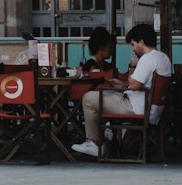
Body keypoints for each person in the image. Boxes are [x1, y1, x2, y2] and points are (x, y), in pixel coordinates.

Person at [71, 23, 172, 159]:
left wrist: (132, 67)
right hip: (152, 108)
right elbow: (143, 84)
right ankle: (107, 132)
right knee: (106, 94)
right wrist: (124, 84)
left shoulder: (147, 59)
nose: (133, 49)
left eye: (133, 44)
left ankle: (95, 143)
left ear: (141, 42)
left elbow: (135, 85)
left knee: (89, 98)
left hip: (137, 108)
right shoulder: (163, 57)